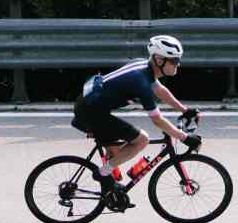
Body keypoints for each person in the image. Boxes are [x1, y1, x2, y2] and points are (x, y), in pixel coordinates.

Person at [71, 35, 202, 205]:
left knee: (118, 154)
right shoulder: (141, 82)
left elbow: (161, 90)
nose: (178, 64)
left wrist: (184, 110)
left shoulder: (145, 68)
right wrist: (184, 137)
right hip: (91, 113)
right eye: (174, 60)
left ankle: (110, 191)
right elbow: (157, 120)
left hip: (89, 106)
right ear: (159, 59)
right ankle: (102, 174)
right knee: (142, 140)